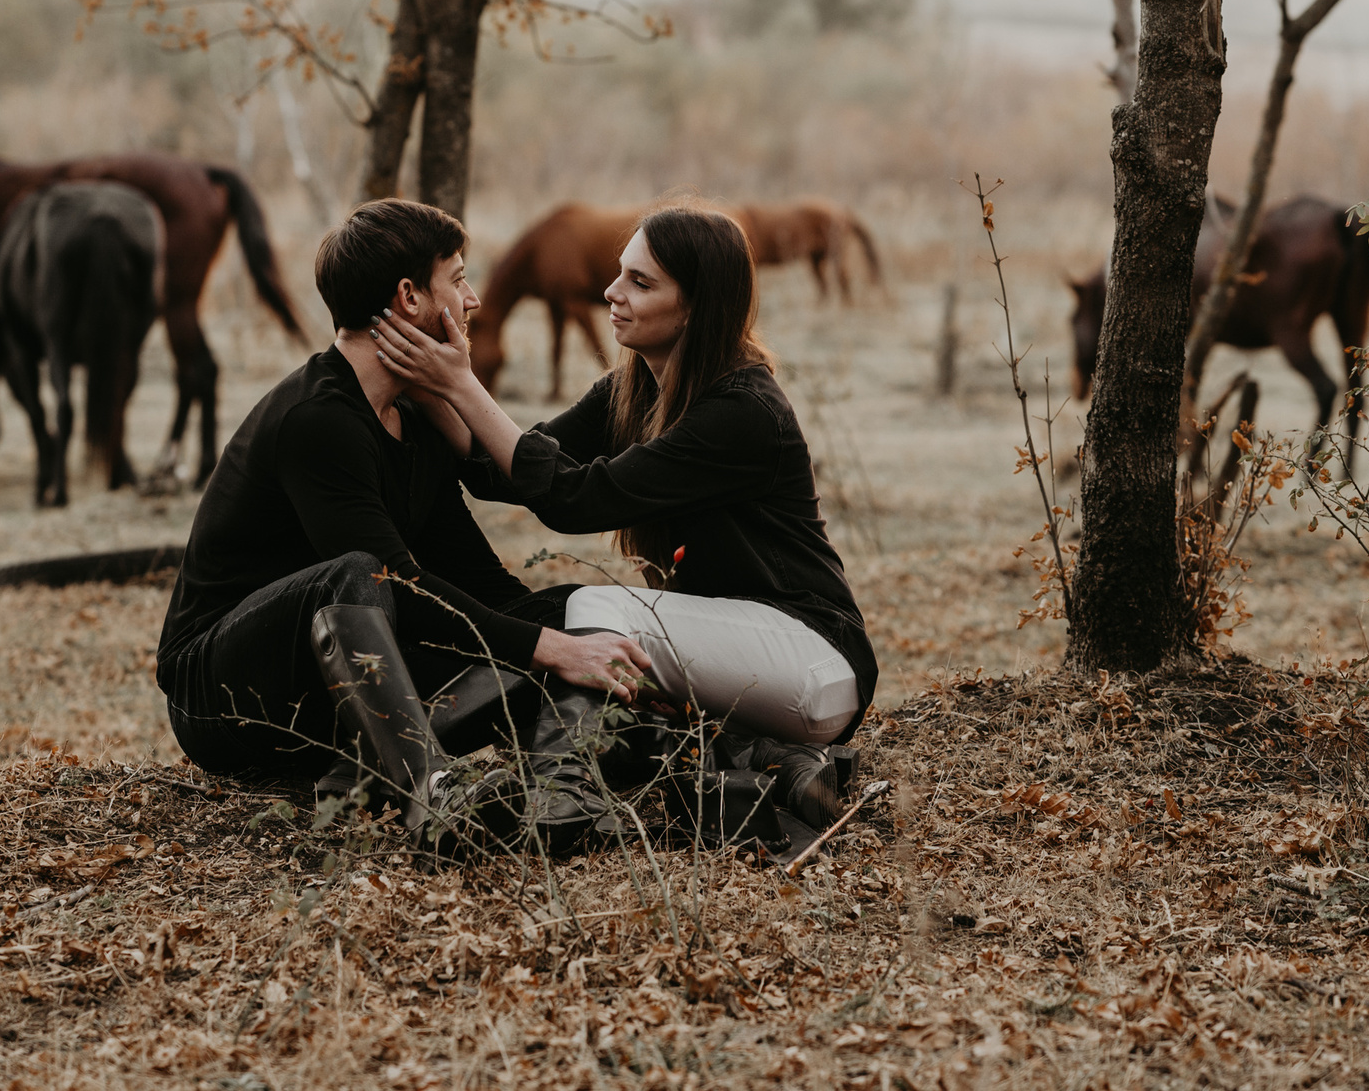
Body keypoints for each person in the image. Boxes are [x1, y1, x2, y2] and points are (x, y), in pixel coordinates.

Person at [369, 202, 878, 842]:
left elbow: (574, 500)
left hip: (814, 656)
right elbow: (500, 470)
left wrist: (463, 384)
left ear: (696, 306)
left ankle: (564, 800)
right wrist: (438, 386)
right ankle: (767, 762)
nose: (611, 292)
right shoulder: (634, 388)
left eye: (641, 282)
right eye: (620, 273)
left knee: (593, 613)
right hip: (748, 657)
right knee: (589, 632)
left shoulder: (741, 411)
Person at [153, 198, 653, 846]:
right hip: (223, 692)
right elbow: (397, 584)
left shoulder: (413, 420)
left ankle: (608, 781)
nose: (472, 299)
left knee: (551, 611)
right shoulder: (319, 418)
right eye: (460, 277)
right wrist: (551, 648)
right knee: (364, 575)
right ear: (411, 296)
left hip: (342, 671)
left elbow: (481, 583)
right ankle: (432, 797)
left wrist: (572, 640)